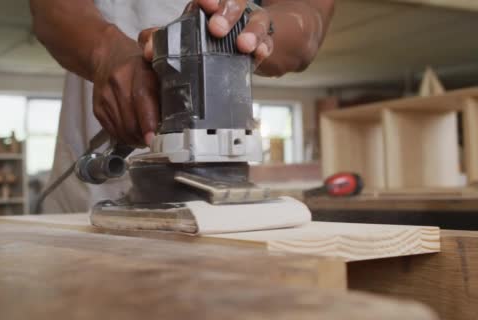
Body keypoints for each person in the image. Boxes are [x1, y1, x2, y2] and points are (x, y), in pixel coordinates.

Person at [29, 0, 335, 213]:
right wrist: (104, 51)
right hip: (94, 164)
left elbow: (310, 17)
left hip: (219, 180)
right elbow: (50, 8)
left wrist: (259, 29)